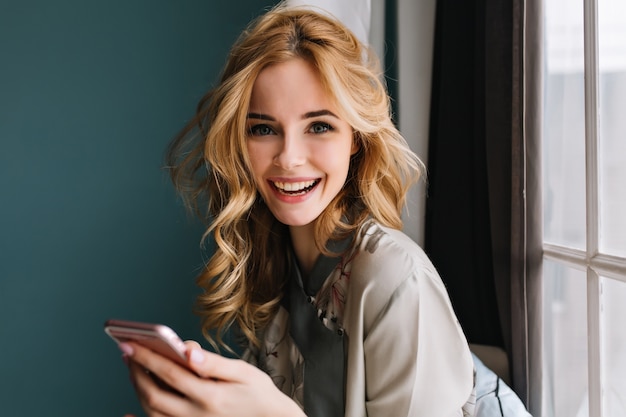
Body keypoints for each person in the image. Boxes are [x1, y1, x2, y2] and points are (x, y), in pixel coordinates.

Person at [119, 4, 476, 417]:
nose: (288, 158)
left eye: (319, 126)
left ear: (356, 136)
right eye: (263, 129)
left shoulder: (395, 279)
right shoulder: (277, 265)